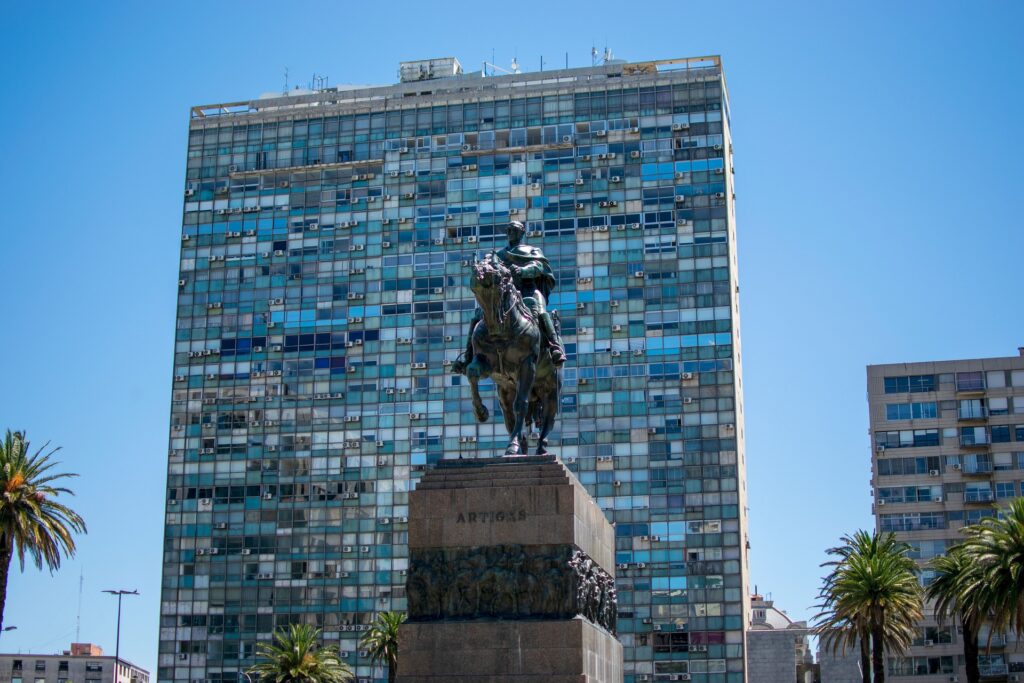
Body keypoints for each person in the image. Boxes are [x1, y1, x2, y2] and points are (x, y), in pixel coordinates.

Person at [454, 221, 566, 373]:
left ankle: (554, 347)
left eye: (514, 229)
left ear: (521, 232)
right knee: (479, 315)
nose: (510, 232)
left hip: (528, 291)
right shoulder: (499, 255)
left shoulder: (531, 250)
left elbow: (540, 267)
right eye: (508, 230)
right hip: (505, 295)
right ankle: (468, 356)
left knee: (540, 310)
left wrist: (523, 271)